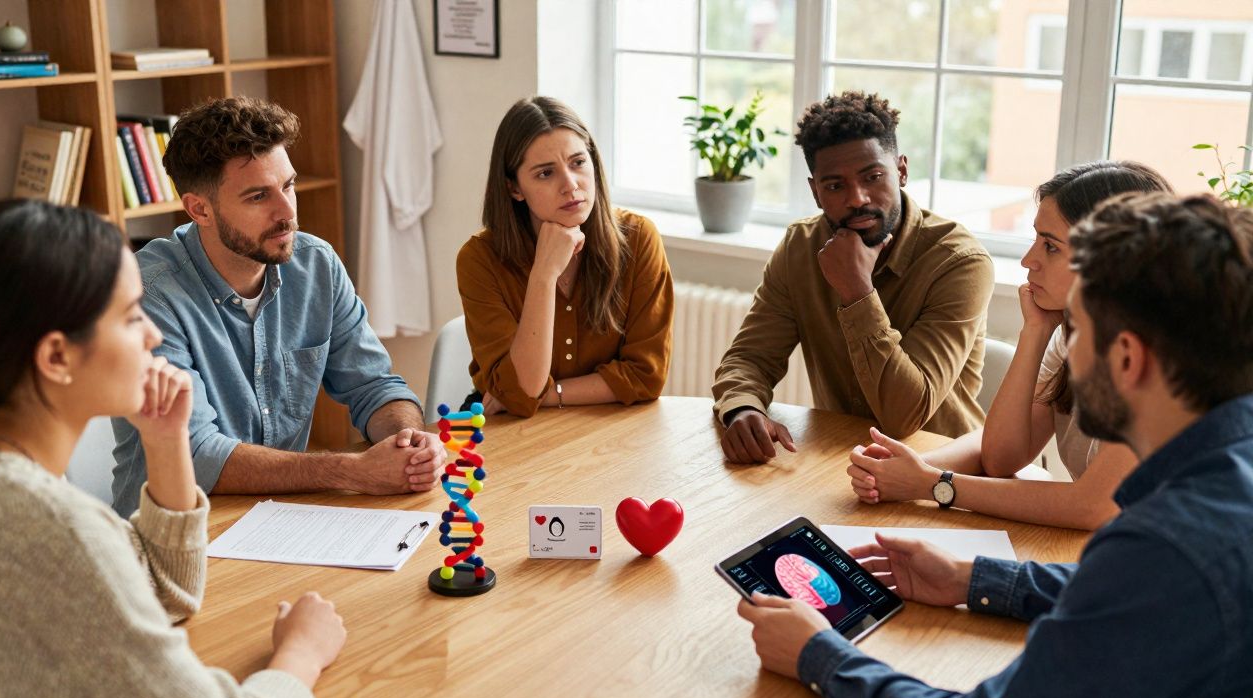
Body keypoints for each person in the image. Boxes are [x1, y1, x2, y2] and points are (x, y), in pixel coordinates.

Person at [736, 192, 1253, 698]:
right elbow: (1138, 598)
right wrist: (971, 579)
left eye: (1075, 329)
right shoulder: (1214, 492)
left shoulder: (1166, 546)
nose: (1068, 352)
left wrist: (817, 654)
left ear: (1127, 359)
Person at [0, 201, 346, 698]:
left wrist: (166, 440)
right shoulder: (53, 530)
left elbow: (165, 591)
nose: (153, 338)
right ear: (56, 357)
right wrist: (301, 654)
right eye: (132, 317)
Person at [110, 97, 445, 516]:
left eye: (288, 185)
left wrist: (408, 444)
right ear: (200, 209)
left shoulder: (315, 264)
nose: (287, 212)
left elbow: (375, 386)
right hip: (172, 534)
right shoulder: (147, 296)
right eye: (258, 197)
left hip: (278, 522)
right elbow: (195, 453)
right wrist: (351, 470)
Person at [845, 161, 1172, 530]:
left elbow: (1093, 506)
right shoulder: (1074, 334)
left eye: (1050, 246)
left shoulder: (1165, 358)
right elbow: (1002, 457)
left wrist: (933, 485)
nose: (1028, 260)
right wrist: (1035, 332)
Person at [714, 91, 993, 464]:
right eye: (834, 186)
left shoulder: (959, 262)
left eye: (873, 177)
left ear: (902, 171)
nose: (857, 198)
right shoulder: (801, 247)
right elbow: (749, 358)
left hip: (944, 474)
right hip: (842, 465)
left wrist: (857, 290)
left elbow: (905, 418)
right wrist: (743, 409)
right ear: (816, 192)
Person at [457, 96, 673, 417]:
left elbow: (646, 376)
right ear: (515, 188)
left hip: (600, 426)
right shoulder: (479, 259)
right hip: (504, 426)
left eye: (578, 162)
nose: (571, 185)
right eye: (546, 173)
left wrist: (548, 394)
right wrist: (543, 276)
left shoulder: (639, 239)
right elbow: (523, 391)